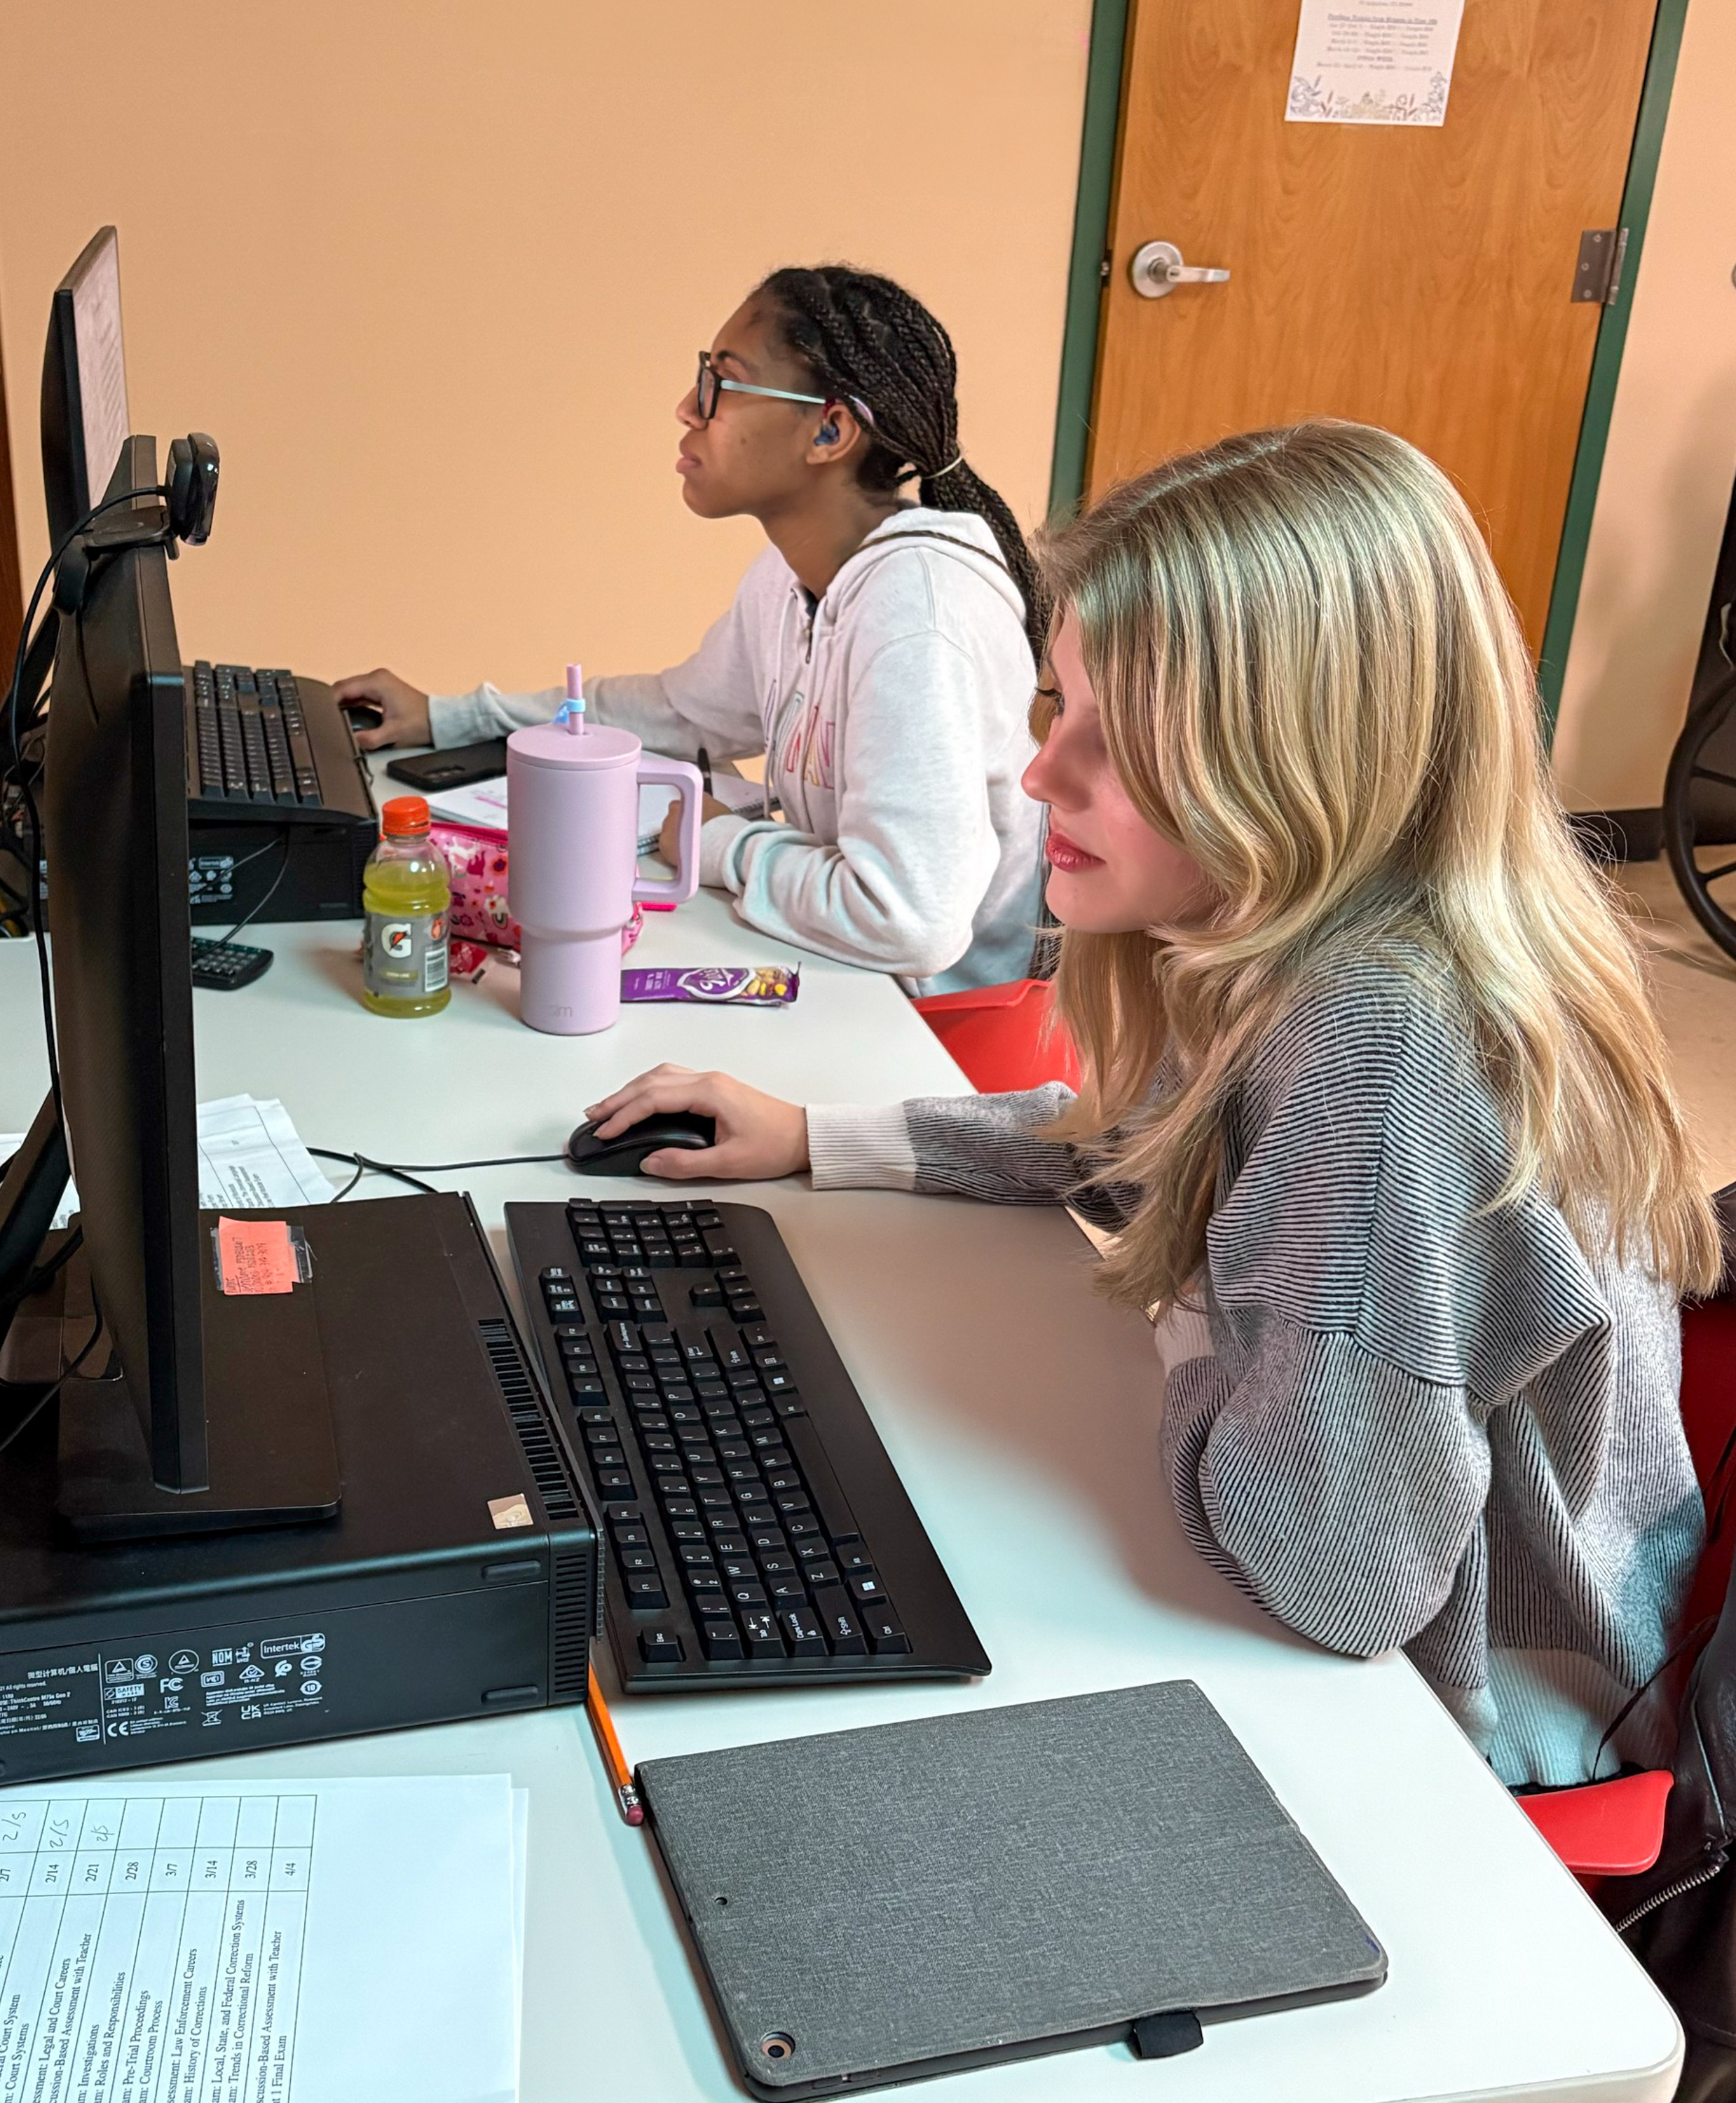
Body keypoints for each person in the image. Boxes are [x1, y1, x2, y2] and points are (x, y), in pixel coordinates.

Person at [582, 421, 1721, 1790]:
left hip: (1482, 1731)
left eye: (1119, 744)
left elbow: (1337, 1581)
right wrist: (829, 1139)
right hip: (1398, 1612)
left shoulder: (1385, 1046)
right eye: (1060, 707)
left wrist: (1185, 1324)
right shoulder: (1324, 949)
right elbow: (1150, 1145)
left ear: (1296, 768)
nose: (1042, 774)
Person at [332, 266, 1046, 995]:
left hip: (933, 1044)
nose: (686, 408)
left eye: (721, 386)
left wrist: (714, 843)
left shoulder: (917, 617)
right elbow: (681, 713)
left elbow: (909, 920)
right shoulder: (792, 577)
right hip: (843, 980)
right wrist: (451, 717)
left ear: (829, 430)